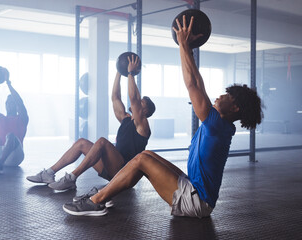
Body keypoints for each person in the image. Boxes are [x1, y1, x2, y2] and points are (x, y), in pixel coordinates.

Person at [62, 15, 263, 217]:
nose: (220, 95)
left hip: (196, 202)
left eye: (227, 96)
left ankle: (95, 202)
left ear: (236, 107)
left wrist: (182, 45)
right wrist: (189, 51)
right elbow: (199, 84)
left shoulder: (217, 125)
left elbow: (192, 85)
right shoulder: (220, 124)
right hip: (193, 189)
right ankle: (103, 195)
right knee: (146, 156)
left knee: (142, 161)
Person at [26, 55, 156, 192]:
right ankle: (49, 173)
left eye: (141, 103)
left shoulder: (143, 126)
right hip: (112, 168)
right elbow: (115, 97)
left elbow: (134, 98)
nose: (136, 103)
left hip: (126, 173)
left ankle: (71, 178)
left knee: (102, 142)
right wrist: (120, 71)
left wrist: (130, 73)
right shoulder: (126, 119)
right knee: (81, 143)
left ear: (145, 111)